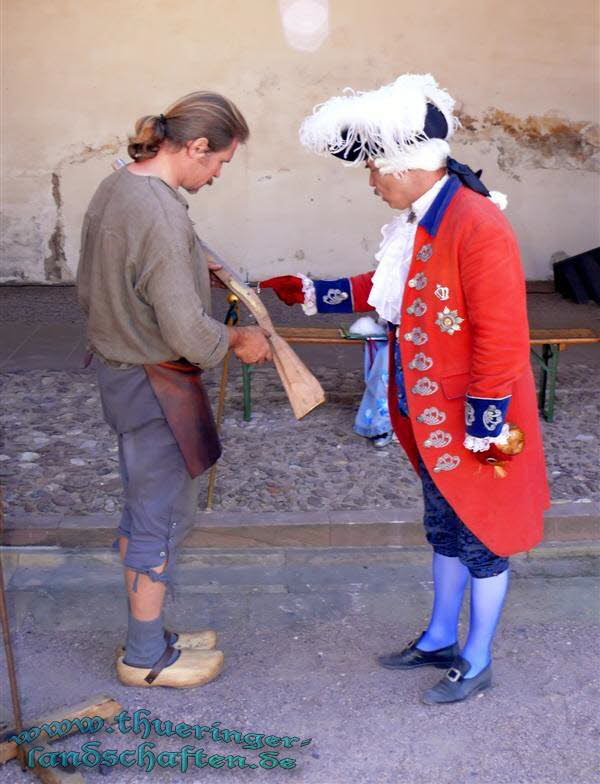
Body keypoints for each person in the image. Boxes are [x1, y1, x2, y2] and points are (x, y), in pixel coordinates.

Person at [261, 74, 550, 704]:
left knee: (484, 535)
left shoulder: (477, 223)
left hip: (475, 419)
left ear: (408, 166)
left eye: (375, 169)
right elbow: (391, 284)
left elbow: (503, 337)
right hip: (429, 414)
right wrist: (314, 292)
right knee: (444, 528)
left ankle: (476, 657)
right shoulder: (426, 215)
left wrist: (485, 428)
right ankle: (442, 635)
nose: (371, 181)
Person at [77, 91, 272, 688]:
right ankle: (143, 657)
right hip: (153, 382)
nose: (215, 175)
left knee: (152, 509)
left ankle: (151, 630)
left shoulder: (122, 185)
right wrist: (240, 343)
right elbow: (188, 331)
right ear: (194, 147)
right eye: (218, 163)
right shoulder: (159, 213)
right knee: (155, 519)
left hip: (127, 371)